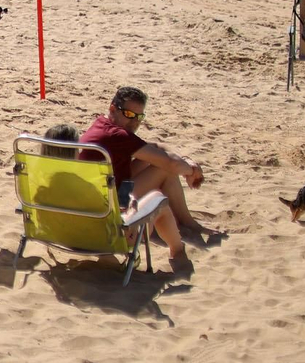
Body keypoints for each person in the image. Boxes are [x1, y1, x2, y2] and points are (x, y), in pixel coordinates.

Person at [79, 85, 212, 244]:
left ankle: (180, 221)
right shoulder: (119, 135)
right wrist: (193, 171)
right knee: (165, 170)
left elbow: (156, 147)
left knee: (157, 159)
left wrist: (187, 160)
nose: (135, 122)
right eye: (129, 114)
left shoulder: (102, 124)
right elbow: (170, 163)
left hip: (100, 192)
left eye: (139, 117)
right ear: (113, 108)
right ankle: (186, 222)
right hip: (109, 203)